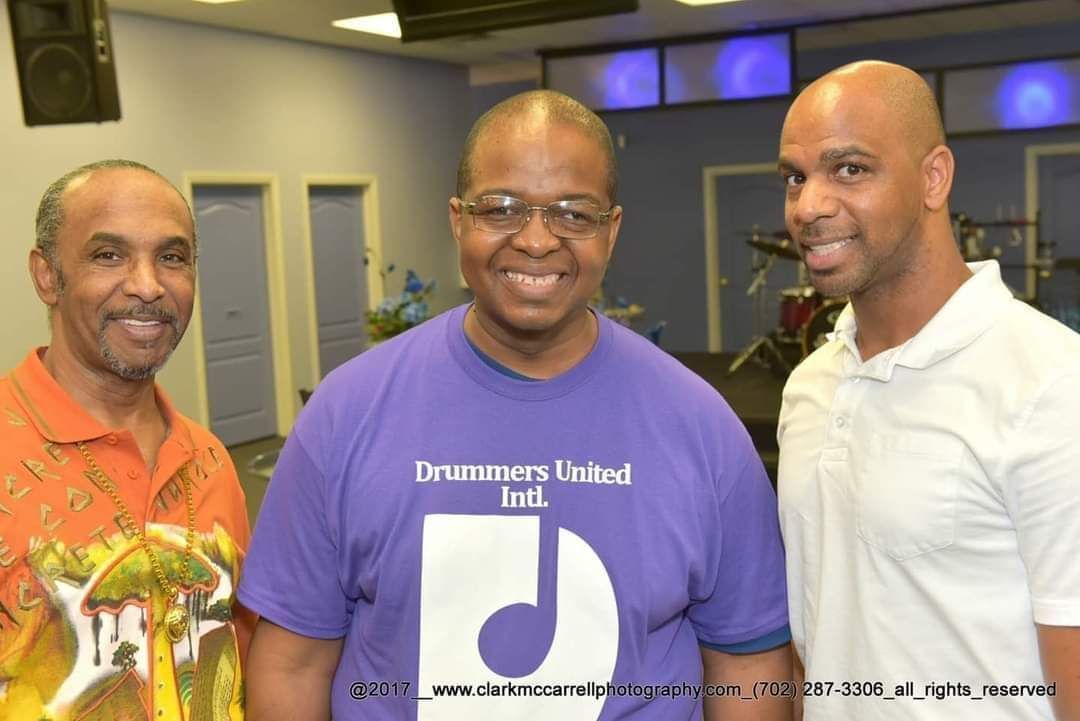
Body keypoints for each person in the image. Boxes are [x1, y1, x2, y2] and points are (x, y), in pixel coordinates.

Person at [239, 90, 791, 721]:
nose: (535, 241)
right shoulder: (346, 413)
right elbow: (293, 663)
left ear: (610, 231)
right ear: (457, 220)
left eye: (573, 214)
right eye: (501, 208)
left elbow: (748, 663)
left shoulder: (702, 427)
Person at [776, 61, 1080, 720]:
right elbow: (817, 637)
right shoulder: (810, 388)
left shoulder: (1053, 383)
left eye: (848, 169)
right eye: (796, 177)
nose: (809, 206)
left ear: (933, 177)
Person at [0, 160, 255, 721]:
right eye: (108, 255)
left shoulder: (209, 458)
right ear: (47, 276)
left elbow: (241, 647)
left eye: (172, 257)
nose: (148, 285)